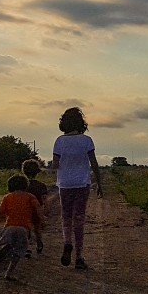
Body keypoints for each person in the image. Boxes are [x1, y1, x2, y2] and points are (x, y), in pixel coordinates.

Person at [50, 106, 102, 270]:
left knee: (66, 217)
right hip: (82, 183)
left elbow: (55, 165)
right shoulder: (87, 141)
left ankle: (67, 243)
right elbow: (94, 163)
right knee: (79, 219)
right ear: (81, 123)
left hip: (65, 184)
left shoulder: (59, 141)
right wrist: (99, 182)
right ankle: (79, 257)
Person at [0, 174, 43, 281]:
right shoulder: (30, 197)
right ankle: (9, 273)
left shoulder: (7, 197)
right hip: (24, 229)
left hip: (9, 227)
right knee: (19, 252)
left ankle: (6, 249)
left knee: (2, 244)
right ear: (26, 185)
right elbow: (38, 209)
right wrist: (42, 220)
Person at [20, 157, 48, 254]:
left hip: (25, 210)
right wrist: (44, 211)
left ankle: (27, 248)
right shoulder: (41, 185)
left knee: (26, 229)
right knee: (37, 228)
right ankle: (39, 244)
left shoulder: (22, 185)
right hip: (37, 210)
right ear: (37, 172)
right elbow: (44, 199)